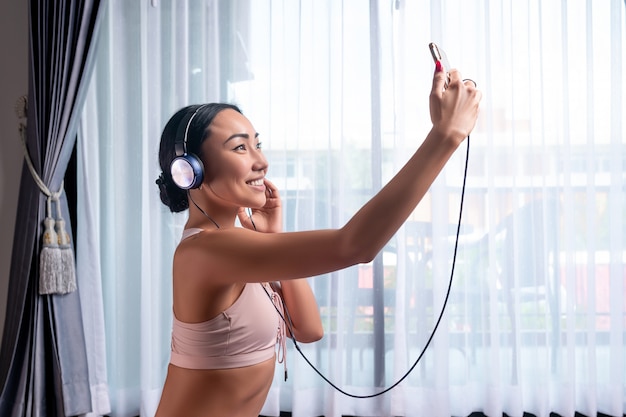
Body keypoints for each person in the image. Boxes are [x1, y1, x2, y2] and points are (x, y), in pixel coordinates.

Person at [153, 61, 481, 417]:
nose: (261, 162)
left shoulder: (238, 245)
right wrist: (445, 136)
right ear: (189, 170)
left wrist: (275, 236)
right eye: (240, 148)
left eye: (258, 145)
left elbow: (309, 329)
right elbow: (355, 245)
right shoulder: (205, 251)